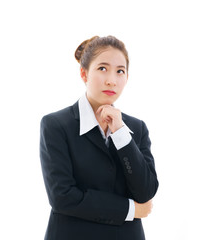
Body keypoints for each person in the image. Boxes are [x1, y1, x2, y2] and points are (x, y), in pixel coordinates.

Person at [39, 36, 159, 240]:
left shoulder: (136, 129)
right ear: (84, 74)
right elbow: (62, 197)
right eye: (102, 68)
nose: (112, 79)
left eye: (120, 71)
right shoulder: (56, 125)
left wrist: (120, 133)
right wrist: (130, 210)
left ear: (127, 78)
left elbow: (145, 192)